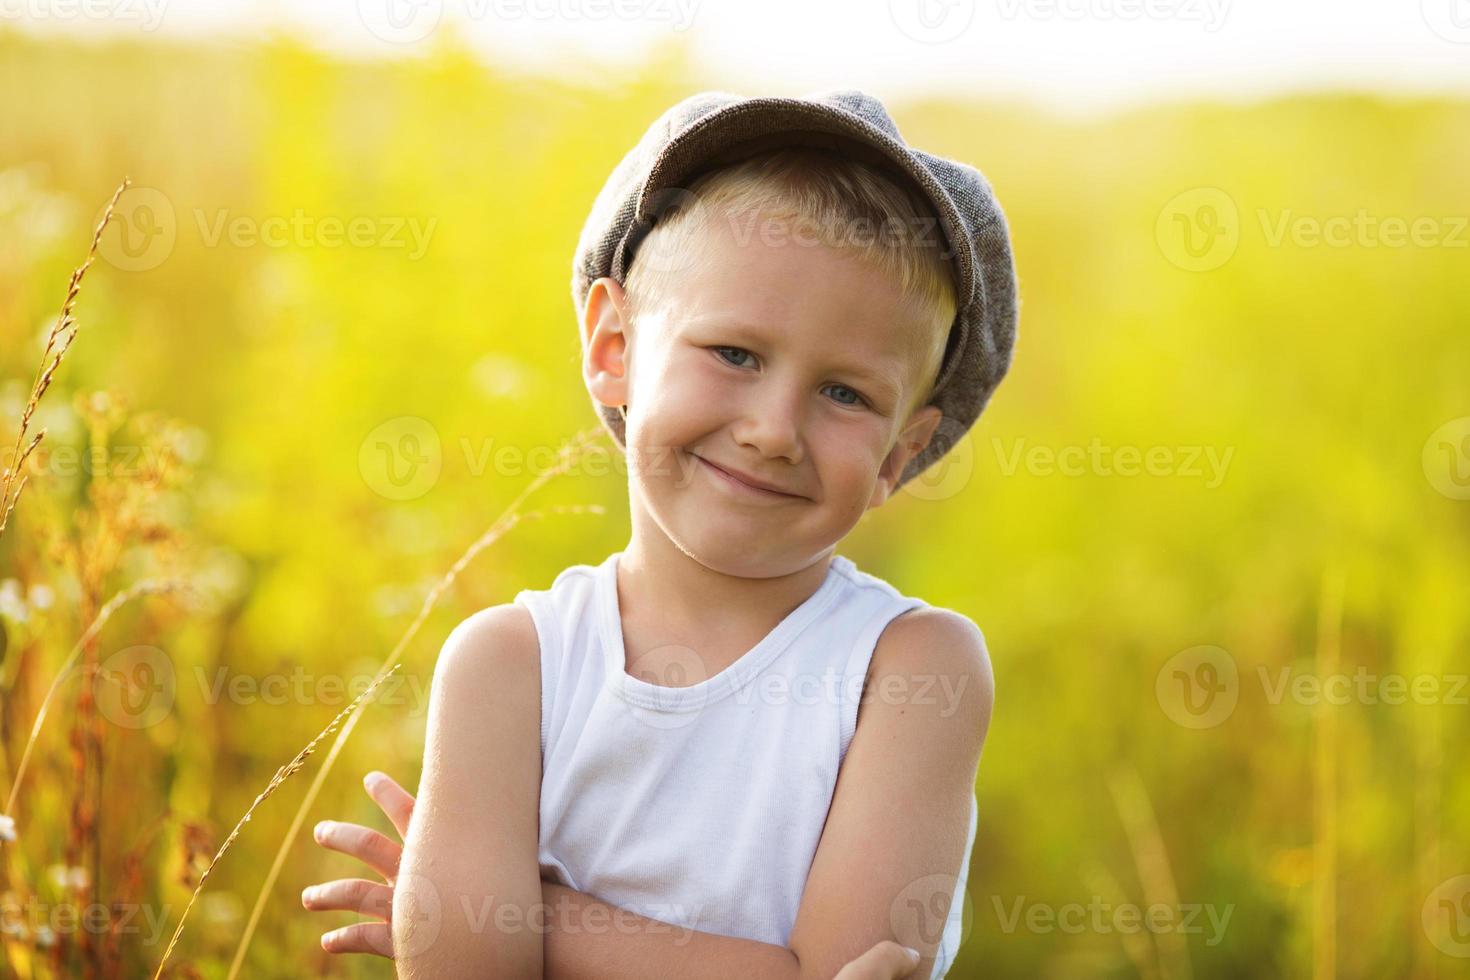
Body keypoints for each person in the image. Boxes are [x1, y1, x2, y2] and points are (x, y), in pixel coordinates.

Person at [301, 88, 1019, 978]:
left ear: (899, 455)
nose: (772, 429)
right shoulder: (510, 664)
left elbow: (839, 976)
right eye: (735, 354)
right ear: (614, 349)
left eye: (845, 394)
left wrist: (533, 914)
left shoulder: (910, 670)